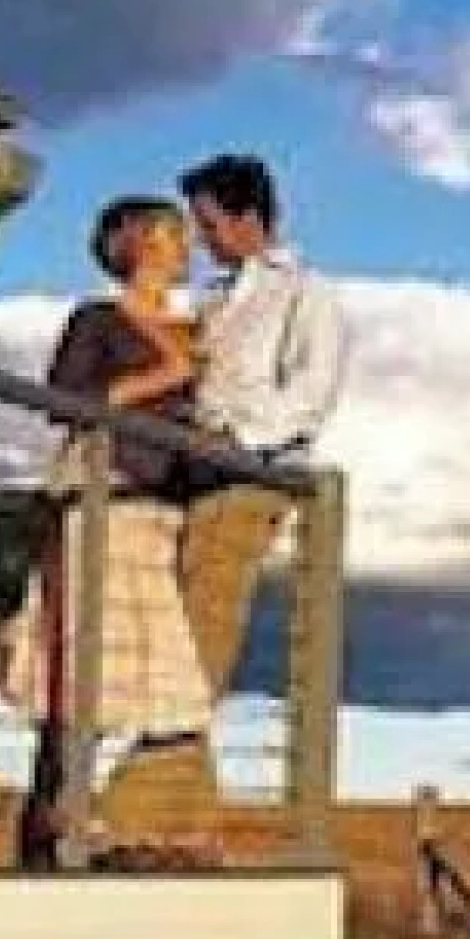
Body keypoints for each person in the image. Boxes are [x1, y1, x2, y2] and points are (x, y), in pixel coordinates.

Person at [1, 196, 217, 869]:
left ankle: (93, 818)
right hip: (103, 497)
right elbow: (66, 402)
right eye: (174, 234)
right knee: (83, 667)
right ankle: (49, 829)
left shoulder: (195, 328)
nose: (186, 247)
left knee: (156, 683)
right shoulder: (99, 319)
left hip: (162, 510)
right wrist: (162, 375)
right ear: (140, 243)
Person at [175, 154, 348, 717]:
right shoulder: (214, 299)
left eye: (209, 224)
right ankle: (171, 778)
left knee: (205, 623)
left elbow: (313, 390)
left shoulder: (305, 292)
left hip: (250, 474)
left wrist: (241, 441)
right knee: (176, 621)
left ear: (248, 217)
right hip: (191, 474)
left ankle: (166, 774)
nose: (201, 239)